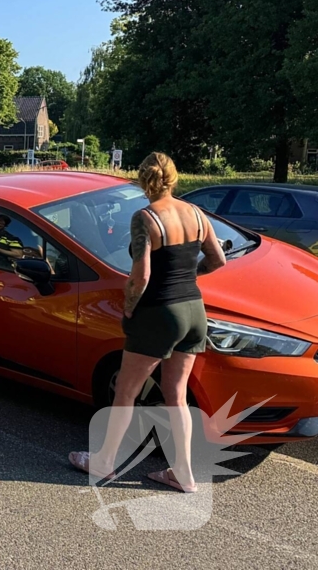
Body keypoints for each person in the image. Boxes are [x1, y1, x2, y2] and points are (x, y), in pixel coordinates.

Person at [68, 152, 226, 493]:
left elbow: (141, 276)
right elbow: (218, 259)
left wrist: (129, 307)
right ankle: (183, 473)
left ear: (143, 181)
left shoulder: (145, 218)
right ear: (174, 178)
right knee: (177, 396)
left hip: (159, 312)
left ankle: (104, 461)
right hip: (194, 310)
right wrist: (187, 277)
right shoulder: (196, 213)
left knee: (126, 391)